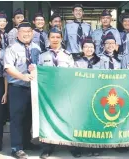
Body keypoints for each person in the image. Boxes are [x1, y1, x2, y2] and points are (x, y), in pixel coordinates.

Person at [4, 19, 42, 159]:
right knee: (17, 118)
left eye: (28, 32)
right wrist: (22, 76)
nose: (26, 34)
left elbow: (40, 66)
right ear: (17, 33)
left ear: (32, 33)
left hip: (33, 88)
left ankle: (27, 143)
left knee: (29, 118)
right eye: (23, 32)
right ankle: (16, 147)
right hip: (18, 87)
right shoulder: (11, 48)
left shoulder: (37, 48)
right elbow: (8, 68)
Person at [38, 26, 75, 159]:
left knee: (68, 118)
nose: (55, 39)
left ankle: (72, 145)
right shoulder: (42, 56)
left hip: (64, 92)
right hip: (47, 93)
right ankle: (47, 147)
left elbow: (73, 74)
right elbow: (39, 74)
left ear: (61, 39)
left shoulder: (68, 56)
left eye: (57, 37)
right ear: (48, 39)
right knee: (47, 120)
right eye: (52, 37)